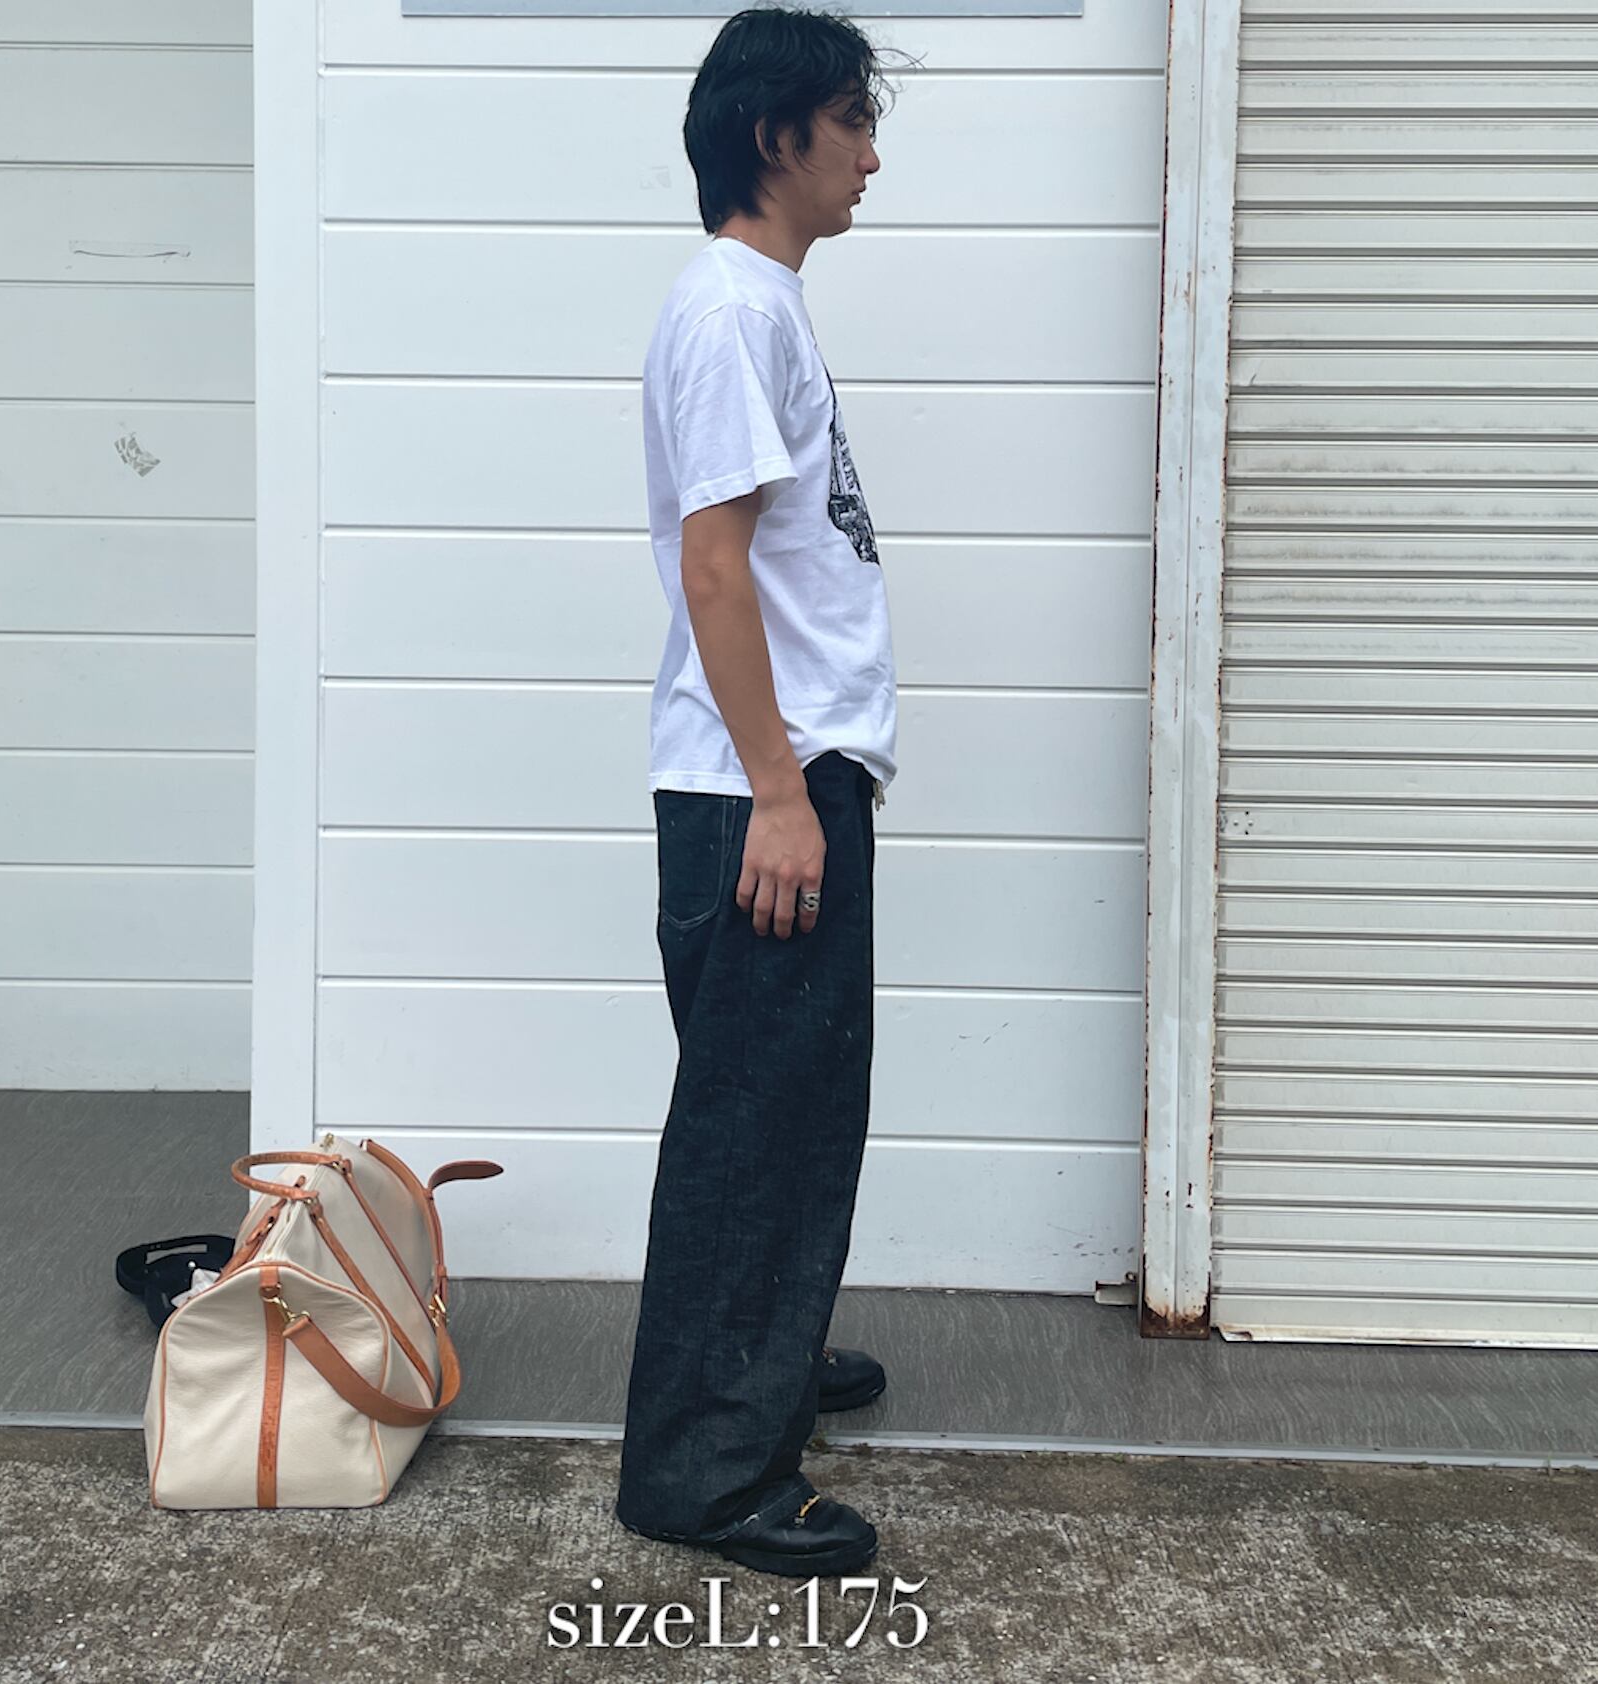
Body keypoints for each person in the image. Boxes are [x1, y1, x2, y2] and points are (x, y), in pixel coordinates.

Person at [613, 4, 910, 1580]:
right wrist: (780, 793)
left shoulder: (757, 304)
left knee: (781, 1114)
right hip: (760, 791)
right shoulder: (732, 309)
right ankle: (707, 1473)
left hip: (775, 778)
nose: (870, 155)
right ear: (769, 133)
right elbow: (715, 569)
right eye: (851, 121)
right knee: (754, 1130)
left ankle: (761, 1362)